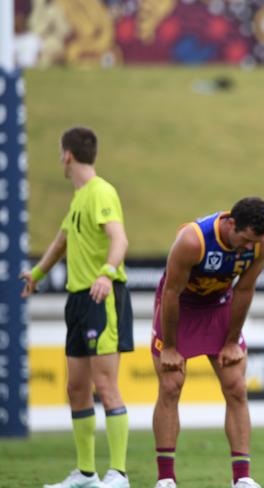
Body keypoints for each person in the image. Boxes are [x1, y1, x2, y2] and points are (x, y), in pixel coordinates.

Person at [20, 127, 133, 488]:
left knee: (105, 385)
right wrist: (37, 274)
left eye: (59, 154)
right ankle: (86, 474)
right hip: (78, 300)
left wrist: (105, 273)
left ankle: (118, 474)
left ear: (67, 155)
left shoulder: (101, 192)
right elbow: (62, 241)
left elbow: (120, 238)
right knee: (76, 388)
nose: (59, 160)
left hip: (102, 295)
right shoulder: (79, 198)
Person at [151, 197, 264, 488]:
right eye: (243, 240)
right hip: (179, 307)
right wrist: (169, 346)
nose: (247, 247)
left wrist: (232, 341)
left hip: (219, 306)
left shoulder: (261, 242)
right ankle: (166, 478)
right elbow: (171, 293)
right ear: (231, 223)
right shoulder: (192, 241)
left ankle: (241, 478)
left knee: (236, 386)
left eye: (252, 242)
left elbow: (244, 290)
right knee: (171, 386)